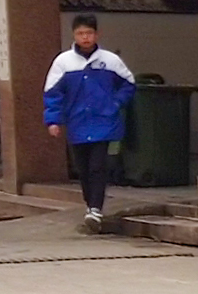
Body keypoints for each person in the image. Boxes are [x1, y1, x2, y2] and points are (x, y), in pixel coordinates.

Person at [43, 15, 137, 229]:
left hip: (104, 121)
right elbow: (52, 93)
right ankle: (90, 205)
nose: (85, 38)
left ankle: (96, 207)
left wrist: (115, 103)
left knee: (97, 166)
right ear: (74, 35)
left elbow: (129, 84)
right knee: (83, 168)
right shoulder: (63, 62)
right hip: (77, 122)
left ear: (97, 34)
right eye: (80, 34)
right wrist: (53, 121)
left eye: (89, 33)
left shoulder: (110, 61)